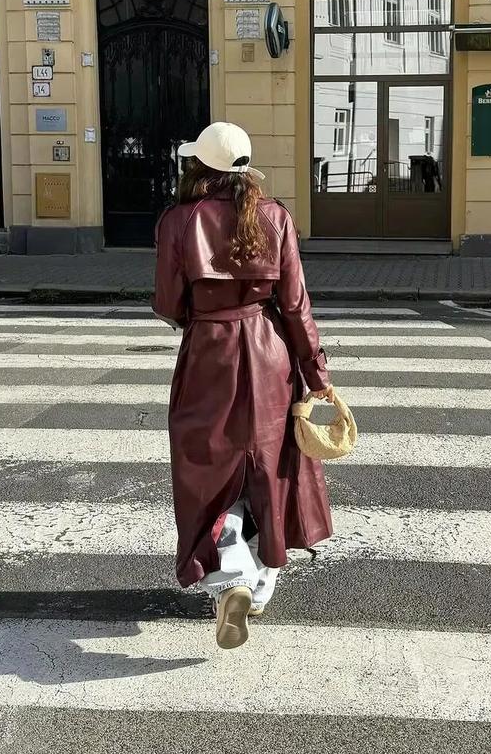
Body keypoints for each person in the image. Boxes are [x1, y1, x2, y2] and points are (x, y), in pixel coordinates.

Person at [153, 122, 334, 651]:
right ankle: (256, 581)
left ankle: (229, 570)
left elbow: (168, 304)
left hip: (209, 353)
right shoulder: (274, 217)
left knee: (207, 468)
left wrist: (201, 315)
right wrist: (317, 375)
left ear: (197, 166)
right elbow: (295, 305)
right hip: (270, 352)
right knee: (270, 467)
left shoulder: (178, 220)